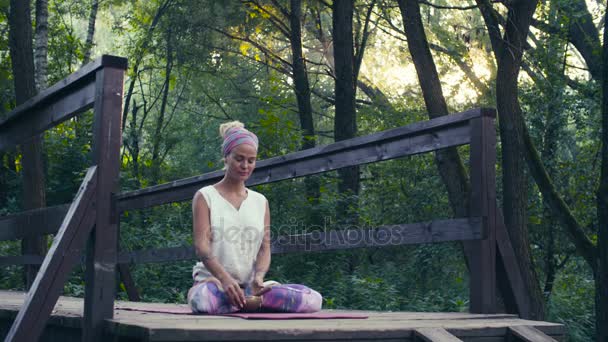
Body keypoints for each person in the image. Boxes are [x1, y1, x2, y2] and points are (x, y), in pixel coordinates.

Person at [187, 121, 323, 314]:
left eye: (251, 160)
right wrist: (224, 280)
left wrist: (258, 277)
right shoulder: (205, 196)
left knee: (313, 300)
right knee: (203, 302)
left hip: (250, 288)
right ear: (226, 158)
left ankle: (248, 301)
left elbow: (264, 248)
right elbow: (202, 248)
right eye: (239, 159)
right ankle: (252, 304)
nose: (245, 165)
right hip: (214, 284)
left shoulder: (261, 201)